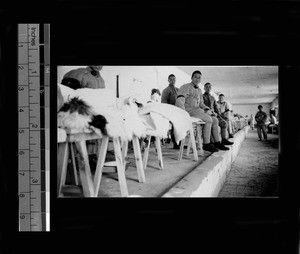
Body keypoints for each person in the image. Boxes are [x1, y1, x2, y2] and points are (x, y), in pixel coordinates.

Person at [175, 70, 229, 153]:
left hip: (197, 110)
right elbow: (180, 100)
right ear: (192, 78)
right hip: (189, 110)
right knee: (208, 119)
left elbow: (201, 103)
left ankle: (217, 143)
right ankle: (206, 144)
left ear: (200, 80)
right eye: (195, 77)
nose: (197, 79)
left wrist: (208, 109)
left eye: (199, 78)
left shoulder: (199, 90)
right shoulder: (185, 87)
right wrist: (183, 113)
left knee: (215, 119)